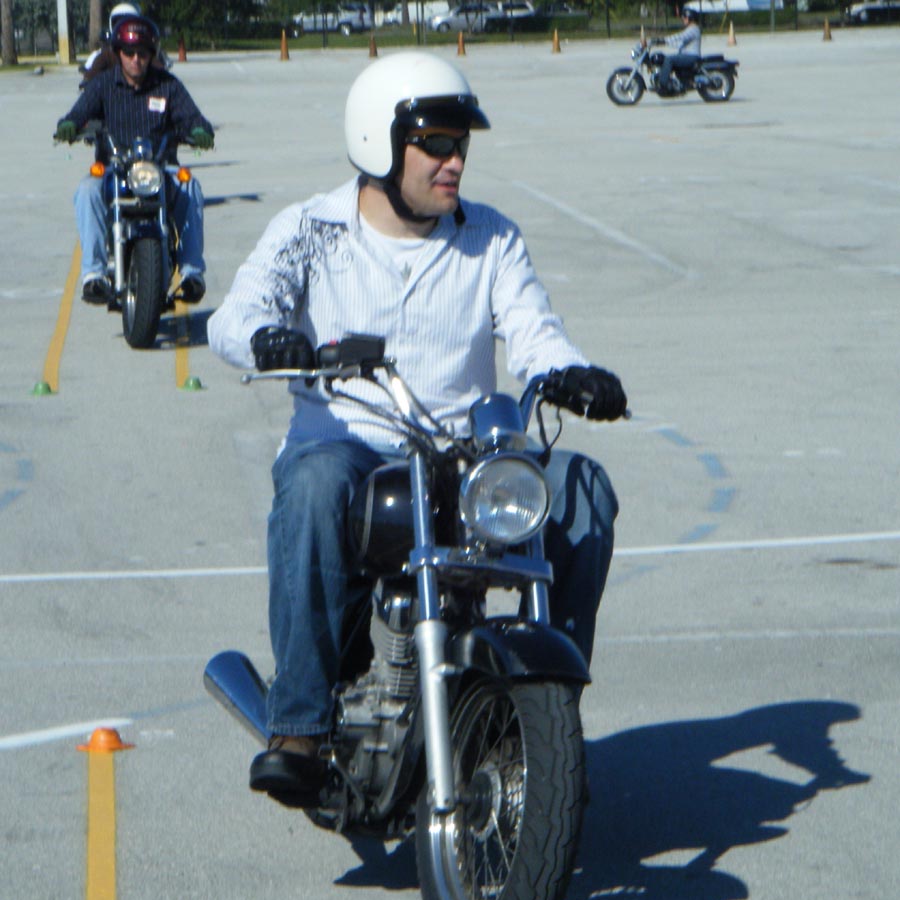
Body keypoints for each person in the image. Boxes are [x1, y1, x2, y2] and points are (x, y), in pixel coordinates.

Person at [207, 52, 627, 800]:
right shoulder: (310, 229)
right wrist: (268, 338)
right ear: (380, 142)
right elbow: (235, 317)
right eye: (435, 143)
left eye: (460, 143)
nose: (454, 160)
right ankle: (299, 725)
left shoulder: (491, 237)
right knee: (312, 485)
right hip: (349, 441)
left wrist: (570, 372)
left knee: (580, 490)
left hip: (462, 456)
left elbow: (534, 331)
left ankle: (548, 719)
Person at [54, 15, 213, 305]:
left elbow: (193, 117)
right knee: (87, 190)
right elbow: (79, 112)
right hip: (114, 168)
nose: (136, 59)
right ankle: (94, 275)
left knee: (191, 187)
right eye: (129, 53)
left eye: (142, 53)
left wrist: (200, 131)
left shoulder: (168, 85)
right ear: (119, 54)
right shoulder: (103, 85)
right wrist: (69, 125)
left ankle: (192, 273)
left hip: (159, 168)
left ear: (152, 54)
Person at [651, 5, 701, 94]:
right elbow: (679, 44)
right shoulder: (690, 29)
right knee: (666, 58)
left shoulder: (694, 29)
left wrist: (664, 39)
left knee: (669, 59)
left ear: (690, 18)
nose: (683, 19)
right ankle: (673, 82)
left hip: (692, 56)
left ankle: (663, 84)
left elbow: (680, 37)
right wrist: (662, 43)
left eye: (685, 17)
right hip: (686, 55)